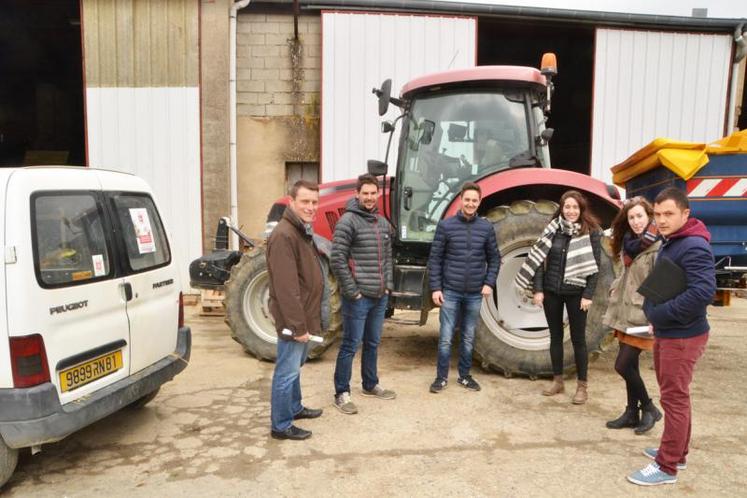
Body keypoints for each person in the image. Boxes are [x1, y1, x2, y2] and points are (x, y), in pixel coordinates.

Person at [627, 187, 716, 486]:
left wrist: (661, 315)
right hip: (670, 331)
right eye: (658, 214)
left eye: (669, 214)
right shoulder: (672, 241)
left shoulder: (693, 246)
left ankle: (666, 467)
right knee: (677, 397)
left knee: (674, 399)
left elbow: (703, 292)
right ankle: (678, 452)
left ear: (685, 214)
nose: (661, 220)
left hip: (682, 336)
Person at [515, 190, 602, 404]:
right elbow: (538, 263)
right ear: (561, 209)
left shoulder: (591, 232)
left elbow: (595, 267)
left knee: (578, 340)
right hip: (552, 292)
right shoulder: (552, 230)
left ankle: (582, 386)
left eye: (575, 207)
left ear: (581, 209)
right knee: (555, 337)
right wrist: (538, 290)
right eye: (567, 207)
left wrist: (588, 294)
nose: (571, 211)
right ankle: (558, 380)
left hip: (577, 294)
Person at [427, 182, 500, 393]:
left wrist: (488, 283)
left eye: (474, 200)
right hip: (450, 290)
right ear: (461, 200)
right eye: (467, 200)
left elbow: (494, 258)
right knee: (446, 337)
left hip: (475, 293)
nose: (470, 204)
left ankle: (465, 376)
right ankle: (441, 378)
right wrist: (436, 288)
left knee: (468, 336)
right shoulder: (446, 226)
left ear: (479, 202)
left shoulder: (486, 228)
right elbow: (435, 259)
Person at [331, 173, 395, 415]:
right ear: (357, 194)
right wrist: (352, 291)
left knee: (372, 343)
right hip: (358, 298)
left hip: (379, 296)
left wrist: (387, 286)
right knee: (350, 344)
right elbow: (337, 259)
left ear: (378, 194)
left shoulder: (381, 223)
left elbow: (388, 258)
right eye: (365, 193)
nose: (369, 198)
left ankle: (370, 384)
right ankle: (341, 393)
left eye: (373, 193)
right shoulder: (347, 221)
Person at [267, 180, 324, 441]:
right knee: (287, 370)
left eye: (314, 202)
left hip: (303, 316)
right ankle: (281, 425)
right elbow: (287, 288)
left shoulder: (299, 230)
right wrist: (298, 327)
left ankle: (294, 407)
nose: (311, 207)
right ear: (292, 202)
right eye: (305, 202)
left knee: (295, 365)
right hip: (294, 320)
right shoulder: (284, 235)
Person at [603, 197, 662, 434]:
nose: (636, 222)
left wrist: (656, 317)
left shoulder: (658, 247)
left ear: (649, 216)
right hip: (624, 311)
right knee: (631, 365)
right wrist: (617, 284)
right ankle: (631, 412)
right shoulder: (630, 243)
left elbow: (661, 286)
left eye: (640, 216)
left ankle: (649, 408)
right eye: (631, 218)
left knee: (622, 365)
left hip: (642, 316)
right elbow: (630, 275)